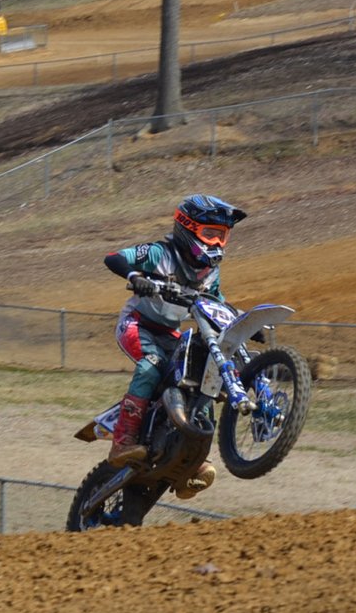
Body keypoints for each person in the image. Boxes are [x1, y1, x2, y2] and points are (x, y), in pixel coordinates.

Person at [100, 194, 247, 497]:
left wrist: (238, 321)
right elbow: (114, 257)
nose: (216, 243)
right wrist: (135, 276)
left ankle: (192, 459)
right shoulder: (160, 253)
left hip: (171, 333)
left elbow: (216, 302)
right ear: (187, 228)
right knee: (151, 365)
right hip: (138, 324)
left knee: (204, 379)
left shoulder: (210, 272)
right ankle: (123, 441)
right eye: (210, 233)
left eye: (221, 236)